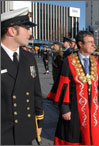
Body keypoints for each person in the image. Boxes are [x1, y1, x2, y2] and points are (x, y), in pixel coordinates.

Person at [48, 31, 99, 145]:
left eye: (93, 42)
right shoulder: (69, 61)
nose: (93, 45)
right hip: (75, 107)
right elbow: (63, 85)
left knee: (94, 137)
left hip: (94, 109)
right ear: (81, 44)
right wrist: (64, 108)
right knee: (75, 136)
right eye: (90, 42)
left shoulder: (96, 61)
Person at [1, 7, 44, 145]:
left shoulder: (28, 58)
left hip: (26, 131)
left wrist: (39, 122)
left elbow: (36, 92)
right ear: (12, 30)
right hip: (4, 134)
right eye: (27, 27)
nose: (30, 33)